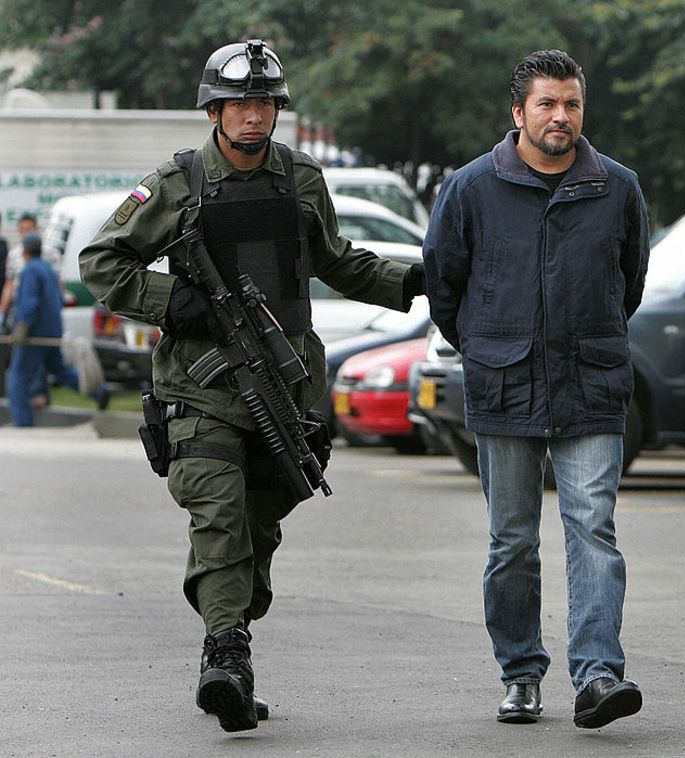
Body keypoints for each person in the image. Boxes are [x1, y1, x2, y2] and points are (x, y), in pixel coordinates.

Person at [80, 39, 425, 734]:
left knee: (259, 525)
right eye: (238, 103)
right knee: (219, 514)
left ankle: (233, 646)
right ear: (214, 110)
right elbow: (102, 260)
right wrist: (173, 302)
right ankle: (225, 656)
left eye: (264, 103)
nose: (252, 116)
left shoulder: (301, 179)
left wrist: (417, 282)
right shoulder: (177, 183)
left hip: (285, 390)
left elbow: (336, 259)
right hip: (200, 390)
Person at [423, 49, 649, 729]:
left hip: (592, 384)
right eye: (547, 103)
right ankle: (521, 672)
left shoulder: (618, 187)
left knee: (593, 530)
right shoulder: (470, 188)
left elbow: (628, 283)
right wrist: (491, 348)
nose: (561, 116)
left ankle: (598, 675)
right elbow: (444, 285)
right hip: (504, 385)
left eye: (572, 103)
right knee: (512, 541)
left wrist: (588, 339)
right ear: (518, 111)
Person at [5, 233, 109, 425]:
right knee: (59, 370)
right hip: (53, 331)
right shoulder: (49, 271)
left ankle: (22, 422)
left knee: (18, 377)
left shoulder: (29, 271)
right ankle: (98, 392)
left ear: (25, 252)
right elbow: (59, 300)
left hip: (34, 335)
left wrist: (21, 328)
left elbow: (29, 304)